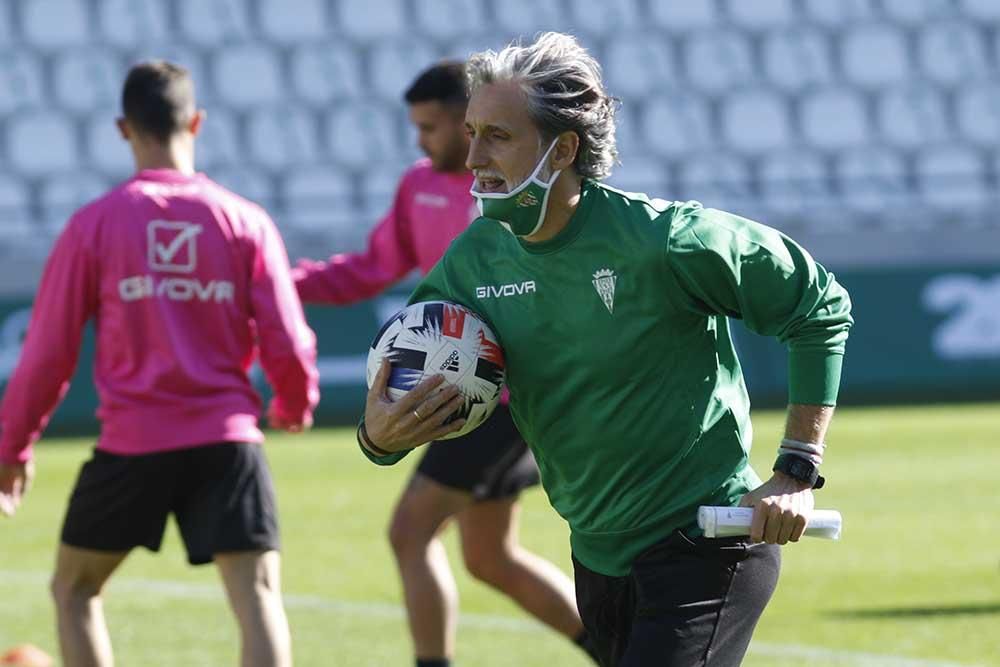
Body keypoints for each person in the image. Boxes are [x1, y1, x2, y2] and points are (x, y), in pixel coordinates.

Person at [357, 33, 854, 667]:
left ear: (562, 147)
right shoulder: (473, 258)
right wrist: (379, 435)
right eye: (472, 131)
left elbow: (819, 305)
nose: (473, 155)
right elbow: (409, 362)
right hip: (596, 555)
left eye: (497, 136)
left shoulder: (666, 241)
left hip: (705, 541)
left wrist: (796, 469)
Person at [0, 61, 319, 667]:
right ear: (195, 121)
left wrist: (12, 447)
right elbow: (289, 334)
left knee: (76, 589)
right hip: (226, 440)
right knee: (257, 596)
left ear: (123, 129)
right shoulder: (246, 220)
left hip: (134, 444)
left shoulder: (94, 224)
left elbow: (47, 352)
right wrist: (294, 401)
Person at [292, 61, 596, 667]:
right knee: (490, 559)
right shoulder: (417, 186)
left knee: (410, 533)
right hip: (468, 391)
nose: (420, 141)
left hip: (499, 399)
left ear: (469, 124)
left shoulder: (516, 197)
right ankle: (620, 652)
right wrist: (284, 283)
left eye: (430, 127)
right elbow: (373, 267)